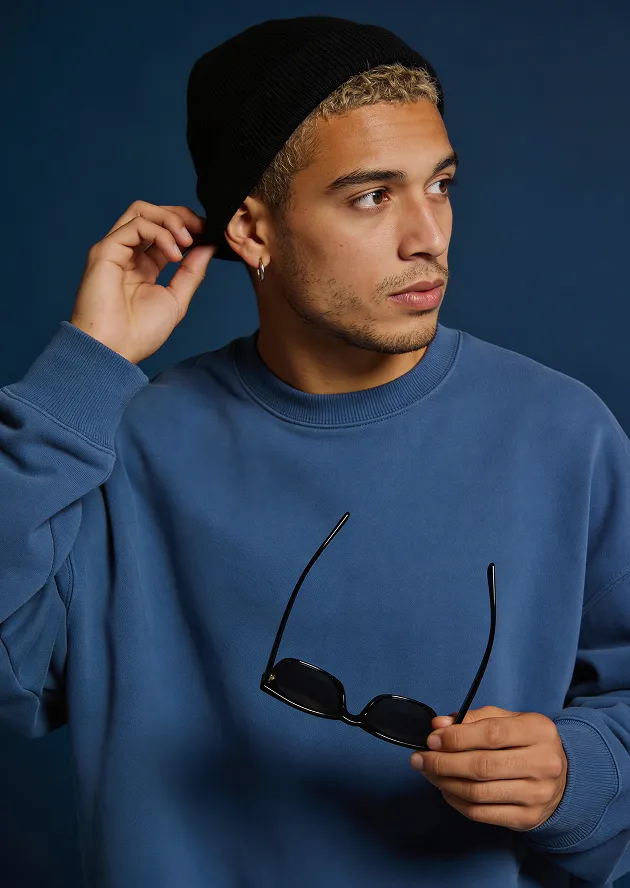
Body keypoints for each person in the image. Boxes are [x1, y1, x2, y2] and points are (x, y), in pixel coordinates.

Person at [1, 14, 629, 888]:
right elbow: (10, 676)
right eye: (372, 195)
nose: (429, 236)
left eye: (440, 185)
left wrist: (579, 772)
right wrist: (85, 368)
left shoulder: (567, 434)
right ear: (252, 232)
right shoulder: (121, 442)